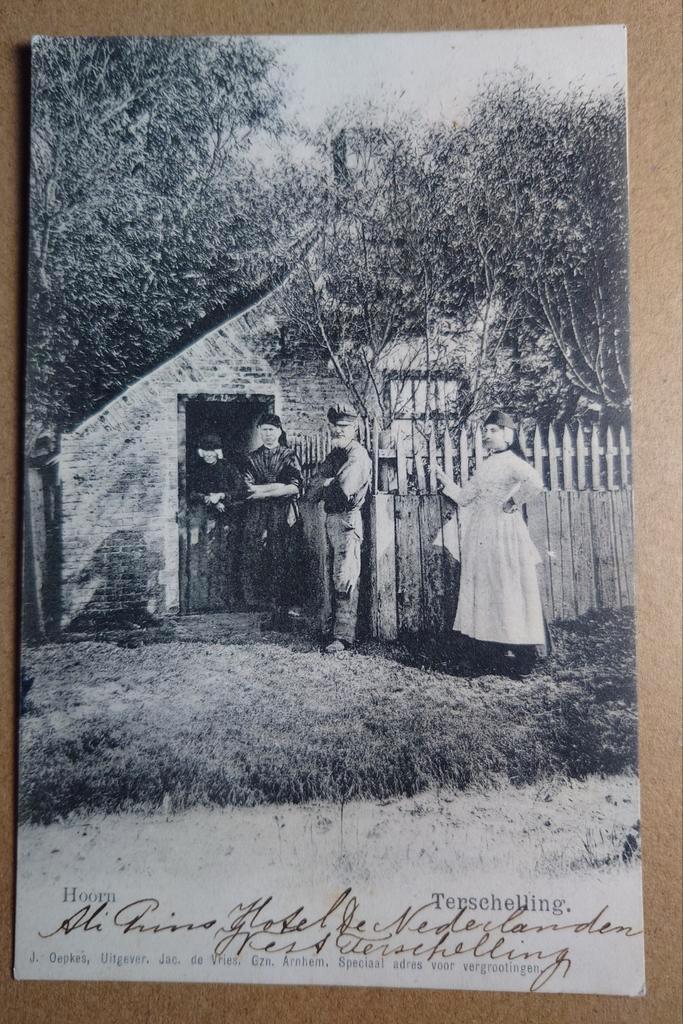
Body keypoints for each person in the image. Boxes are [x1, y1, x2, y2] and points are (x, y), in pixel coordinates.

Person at [434, 410, 548, 676]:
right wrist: (443, 479)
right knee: (485, 589)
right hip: (481, 533)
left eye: (493, 430)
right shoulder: (486, 465)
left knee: (507, 587)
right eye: (485, 430)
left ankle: (523, 656)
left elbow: (535, 483)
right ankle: (490, 651)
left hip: (505, 533)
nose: (486, 434)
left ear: (508, 434)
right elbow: (464, 497)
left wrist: (512, 501)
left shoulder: (512, 461)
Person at [307, 403, 372, 654]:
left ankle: (343, 636)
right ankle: (329, 630)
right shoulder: (334, 456)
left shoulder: (357, 455)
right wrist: (327, 482)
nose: (337, 430)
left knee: (345, 578)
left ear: (354, 428)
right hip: (330, 519)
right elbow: (311, 489)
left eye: (343, 426)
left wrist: (328, 482)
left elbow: (342, 490)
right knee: (328, 575)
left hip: (347, 520)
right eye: (334, 426)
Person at [241, 413, 305, 627]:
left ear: (279, 431)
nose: (268, 434)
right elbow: (247, 489)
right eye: (264, 430)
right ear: (259, 431)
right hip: (260, 518)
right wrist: (277, 487)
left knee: (285, 561)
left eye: (272, 430)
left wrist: (266, 492)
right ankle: (272, 613)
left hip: (284, 516)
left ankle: (284, 614)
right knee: (264, 562)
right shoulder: (251, 458)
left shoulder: (289, 455)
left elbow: (295, 487)